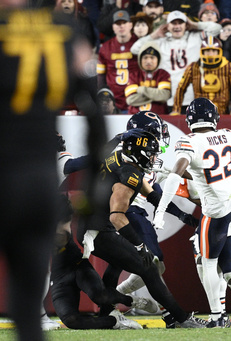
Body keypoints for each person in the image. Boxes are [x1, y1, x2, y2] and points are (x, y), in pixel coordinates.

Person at [0, 3, 106, 340]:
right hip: (38, 178)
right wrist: (92, 195)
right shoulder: (66, 28)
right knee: (29, 299)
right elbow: (95, 112)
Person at [152, 98, 231, 327]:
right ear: (215, 118)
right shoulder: (228, 135)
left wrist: (160, 211)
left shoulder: (189, 143)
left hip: (216, 213)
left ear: (189, 121)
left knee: (208, 265)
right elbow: (208, 170)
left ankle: (218, 316)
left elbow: (179, 176)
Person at [76, 130, 206, 329]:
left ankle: (108, 313)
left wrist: (173, 212)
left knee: (115, 267)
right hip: (99, 231)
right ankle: (180, 318)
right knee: (149, 268)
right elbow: (117, 216)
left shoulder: (119, 157)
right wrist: (139, 245)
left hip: (90, 225)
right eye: (151, 153)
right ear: (139, 153)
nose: (155, 158)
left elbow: (150, 193)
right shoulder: (129, 174)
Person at [131, 10, 222, 114]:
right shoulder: (161, 41)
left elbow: (217, 29)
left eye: (180, 23)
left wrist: (195, 25)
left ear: (186, 25)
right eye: (173, 23)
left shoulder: (196, 37)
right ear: (167, 26)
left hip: (193, 96)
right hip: (169, 97)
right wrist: (155, 35)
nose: (177, 26)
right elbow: (135, 49)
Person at [172, 37, 231, 115]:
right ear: (202, 52)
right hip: (199, 114)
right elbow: (181, 88)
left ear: (219, 52)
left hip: (223, 114)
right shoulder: (193, 67)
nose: (210, 54)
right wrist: (176, 110)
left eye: (214, 51)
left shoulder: (228, 67)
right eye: (207, 51)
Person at [97, 10, 139, 112]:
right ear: (113, 27)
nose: (121, 26)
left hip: (136, 101)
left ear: (130, 25)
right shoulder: (105, 48)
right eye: (118, 23)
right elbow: (100, 76)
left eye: (124, 23)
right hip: (114, 103)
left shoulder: (139, 44)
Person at [125, 42, 171, 116]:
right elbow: (131, 99)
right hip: (135, 118)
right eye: (145, 57)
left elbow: (164, 96)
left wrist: (142, 90)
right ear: (140, 59)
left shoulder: (163, 74)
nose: (149, 61)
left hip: (159, 118)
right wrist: (156, 96)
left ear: (158, 59)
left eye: (152, 58)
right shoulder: (133, 75)